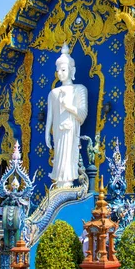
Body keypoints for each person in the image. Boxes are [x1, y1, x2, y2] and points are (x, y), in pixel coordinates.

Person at [45, 43, 88, 188]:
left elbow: (82, 115)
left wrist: (68, 107)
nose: (60, 73)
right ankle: (59, 183)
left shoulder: (79, 89)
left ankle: (67, 183)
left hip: (71, 130)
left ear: (71, 70)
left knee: (68, 158)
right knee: (58, 158)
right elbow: (49, 117)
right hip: (57, 132)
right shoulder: (53, 93)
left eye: (63, 69)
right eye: (58, 70)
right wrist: (47, 134)